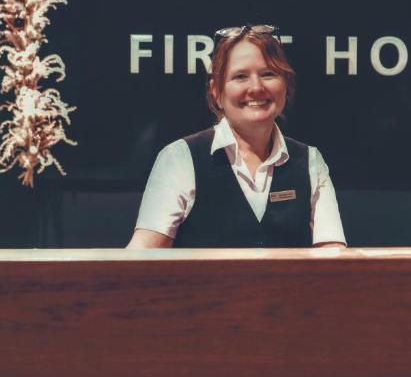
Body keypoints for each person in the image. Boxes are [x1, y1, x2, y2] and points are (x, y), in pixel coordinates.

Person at [127, 25, 345, 248]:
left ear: (286, 85)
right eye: (240, 76)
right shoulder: (179, 158)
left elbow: (334, 262)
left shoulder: (310, 161)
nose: (256, 87)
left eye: (268, 74)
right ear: (216, 90)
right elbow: (141, 260)